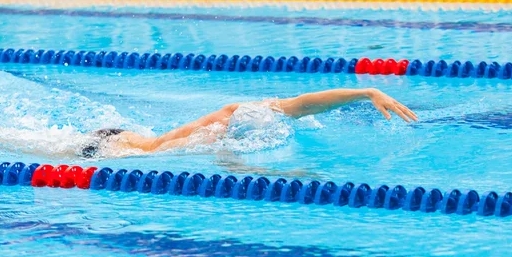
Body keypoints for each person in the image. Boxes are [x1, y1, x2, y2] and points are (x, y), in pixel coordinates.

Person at [81, 88, 417, 158]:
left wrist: (367, 93)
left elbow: (306, 104)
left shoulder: (248, 115)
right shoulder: (226, 123)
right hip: (113, 147)